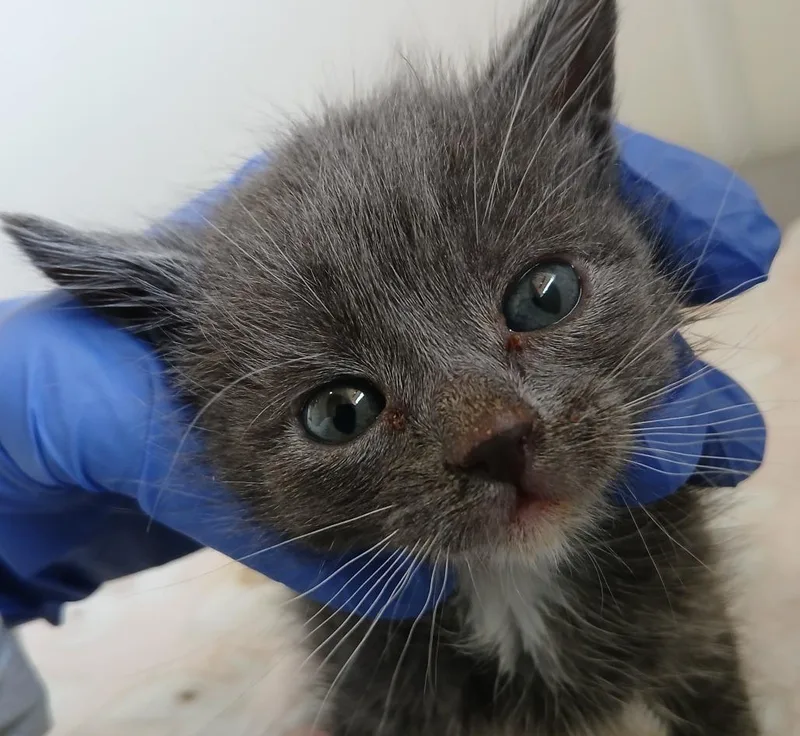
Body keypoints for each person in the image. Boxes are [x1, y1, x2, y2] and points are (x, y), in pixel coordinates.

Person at [0, 125, 781, 735]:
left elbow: (706, 674)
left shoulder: (659, 519)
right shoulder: (355, 616)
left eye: (542, 298)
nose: (491, 429)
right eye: (343, 409)